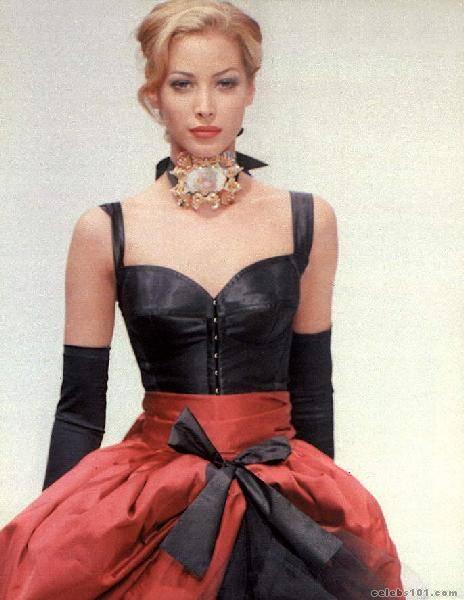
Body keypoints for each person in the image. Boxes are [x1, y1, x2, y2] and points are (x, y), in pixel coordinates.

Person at [0, 1, 406, 597]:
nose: (206, 106)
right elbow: (79, 409)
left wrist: (322, 519)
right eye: (183, 84)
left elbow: (313, 392)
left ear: (251, 91)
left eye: (226, 82)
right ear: (153, 96)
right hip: (153, 495)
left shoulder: (307, 220)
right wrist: (50, 533)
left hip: (278, 484)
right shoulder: (105, 230)